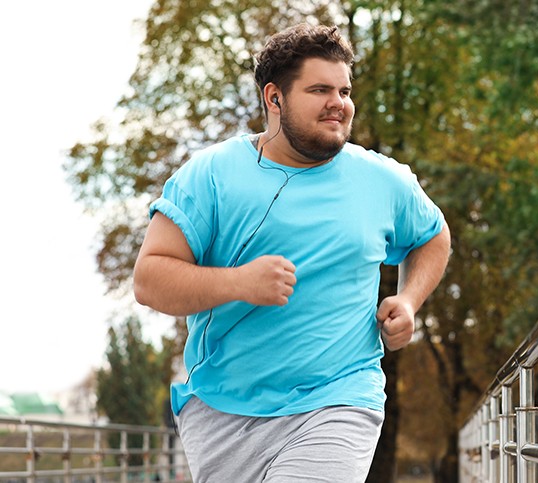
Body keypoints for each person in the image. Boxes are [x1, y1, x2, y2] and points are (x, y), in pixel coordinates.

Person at [133, 23, 450, 482]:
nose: (338, 103)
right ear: (274, 98)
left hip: (340, 396)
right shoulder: (209, 175)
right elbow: (149, 280)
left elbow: (433, 236)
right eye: (320, 89)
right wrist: (238, 283)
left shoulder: (384, 180)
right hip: (223, 409)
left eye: (344, 90)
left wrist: (408, 300)